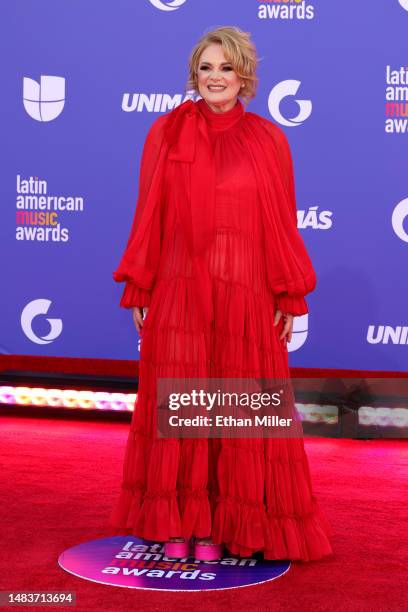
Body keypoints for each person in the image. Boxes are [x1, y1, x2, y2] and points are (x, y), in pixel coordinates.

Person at [109, 26, 332, 562]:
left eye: (226, 68)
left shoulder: (268, 139)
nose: (216, 78)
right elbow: (150, 215)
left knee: (237, 408)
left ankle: (232, 524)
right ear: (195, 74)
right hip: (181, 292)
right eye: (207, 68)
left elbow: (280, 223)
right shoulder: (165, 133)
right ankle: (183, 521)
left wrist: (288, 294)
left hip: (247, 294)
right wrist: (141, 283)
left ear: (244, 76)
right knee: (182, 404)